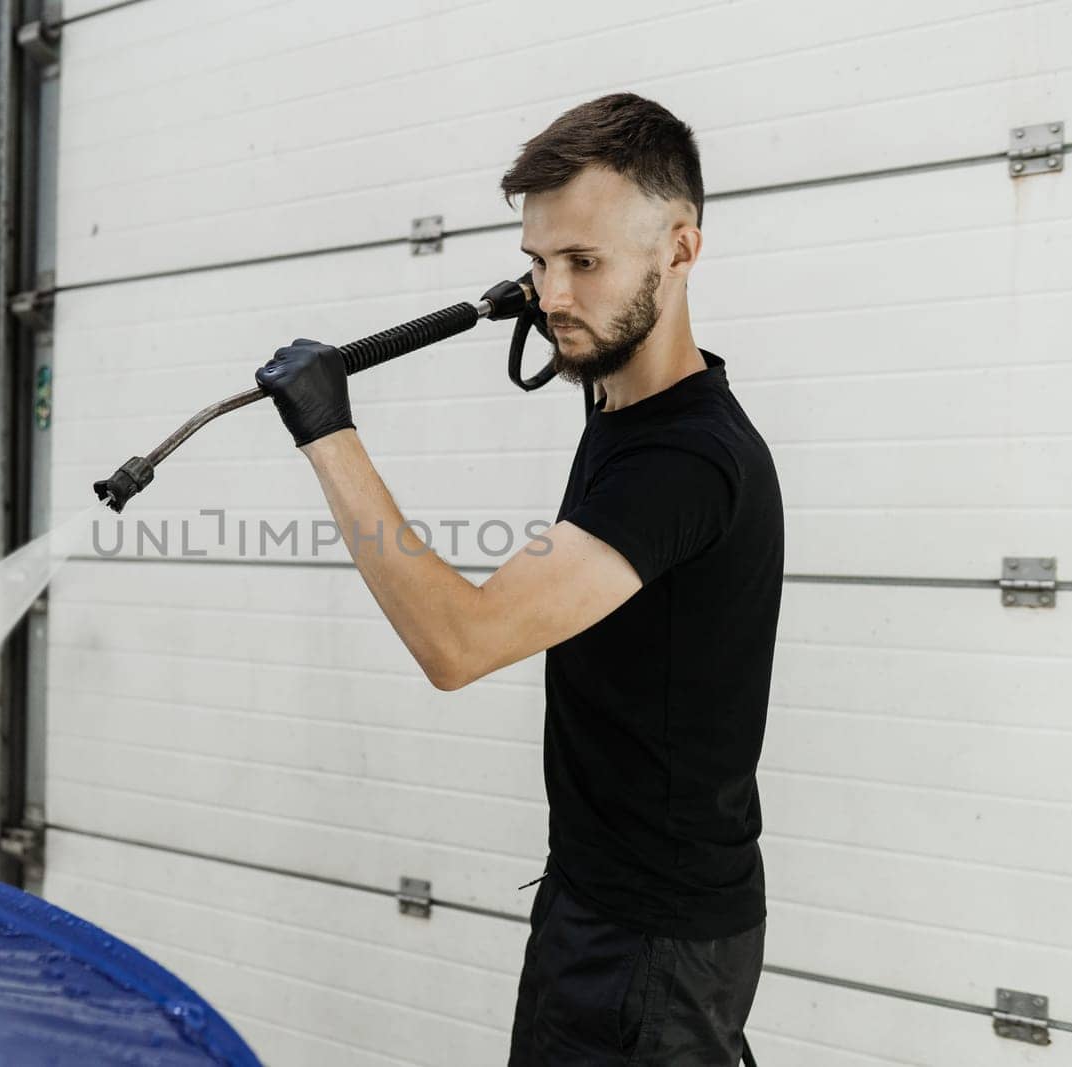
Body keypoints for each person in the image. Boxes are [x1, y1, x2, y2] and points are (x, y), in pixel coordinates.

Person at [254, 92, 783, 1065]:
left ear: (679, 248)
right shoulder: (625, 410)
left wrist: (328, 434)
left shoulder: (683, 462)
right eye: (537, 262)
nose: (551, 295)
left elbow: (459, 642)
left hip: (648, 947)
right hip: (602, 907)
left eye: (584, 261)